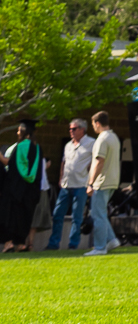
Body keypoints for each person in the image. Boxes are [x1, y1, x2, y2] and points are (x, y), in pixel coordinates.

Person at [46, 118, 95, 251]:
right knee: (57, 214)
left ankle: (73, 245)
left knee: (77, 217)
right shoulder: (68, 145)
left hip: (81, 185)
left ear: (82, 130)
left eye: (73, 129)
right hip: (66, 185)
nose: (71, 131)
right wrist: (61, 178)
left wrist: (91, 180)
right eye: (70, 129)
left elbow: (96, 162)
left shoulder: (91, 143)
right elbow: (64, 162)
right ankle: (53, 244)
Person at [1, 121, 44, 252]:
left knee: (10, 216)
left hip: (15, 190)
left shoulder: (19, 147)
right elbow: (38, 172)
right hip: (31, 190)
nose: (17, 133)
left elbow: (11, 166)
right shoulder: (38, 148)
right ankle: (21, 243)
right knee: (25, 217)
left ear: (25, 132)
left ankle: (9, 243)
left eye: (19, 130)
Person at [85, 110, 121, 257]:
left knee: (97, 215)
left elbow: (99, 161)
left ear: (97, 123)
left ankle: (100, 248)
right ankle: (112, 240)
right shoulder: (114, 137)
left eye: (93, 124)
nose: (93, 127)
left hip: (102, 182)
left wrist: (90, 183)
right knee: (101, 213)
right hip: (113, 181)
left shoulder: (102, 139)